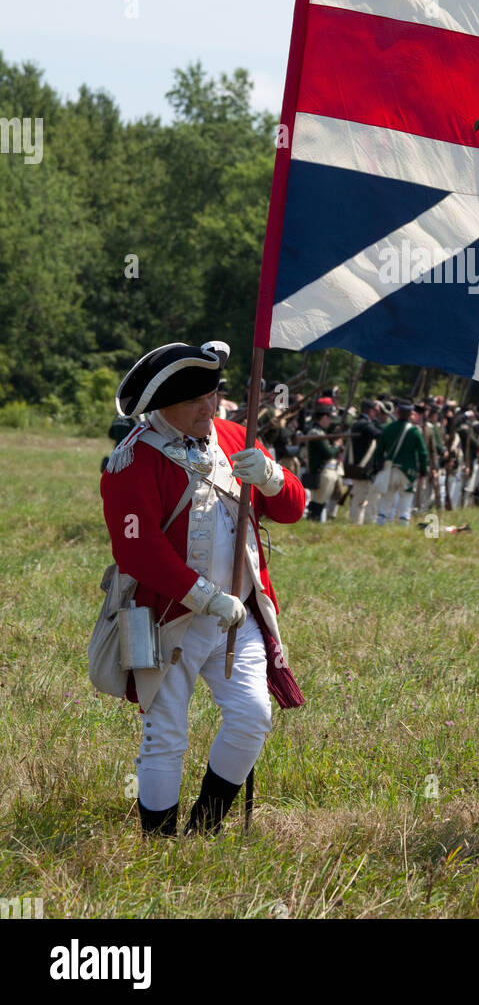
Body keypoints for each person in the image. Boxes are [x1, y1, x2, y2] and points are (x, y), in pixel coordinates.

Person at [100, 340, 306, 837]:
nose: (210, 408)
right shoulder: (132, 460)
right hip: (165, 616)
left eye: (213, 395)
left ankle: (205, 829)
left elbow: (292, 510)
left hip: (240, 615)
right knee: (165, 735)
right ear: (162, 406)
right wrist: (205, 597)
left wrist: (275, 478)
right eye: (196, 401)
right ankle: (159, 841)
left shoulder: (236, 436)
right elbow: (138, 551)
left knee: (253, 716)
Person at [371, 400, 429, 524]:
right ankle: (403, 528)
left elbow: (379, 451)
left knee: (384, 504)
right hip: (408, 472)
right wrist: (423, 470)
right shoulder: (414, 432)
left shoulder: (388, 428)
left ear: (397, 412)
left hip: (390, 469)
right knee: (405, 506)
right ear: (410, 414)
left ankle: (381, 524)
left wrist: (378, 466)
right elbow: (423, 453)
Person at [303, 398, 342, 522]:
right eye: (329, 418)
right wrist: (336, 445)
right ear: (324, 417)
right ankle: (311, 523)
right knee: (318, 504)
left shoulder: (319, 431)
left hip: (321, 470)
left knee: (319, 503)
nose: (330, 421)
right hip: (321, 471)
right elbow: (328, 453)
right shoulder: (316, 432)